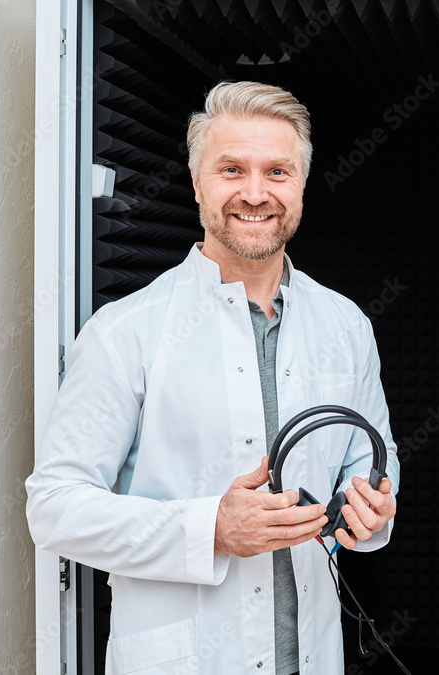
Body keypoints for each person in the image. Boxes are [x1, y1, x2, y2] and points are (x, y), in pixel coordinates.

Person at [26, 81, 400, 675]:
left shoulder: (347, 324)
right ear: (198, 183)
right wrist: (212, 530)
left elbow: (371, 464)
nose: (255, 193)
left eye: (277, 172)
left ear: (301, 185)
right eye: (232, 169)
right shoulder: (125, 332)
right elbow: (54, 508)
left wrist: (372, 513)